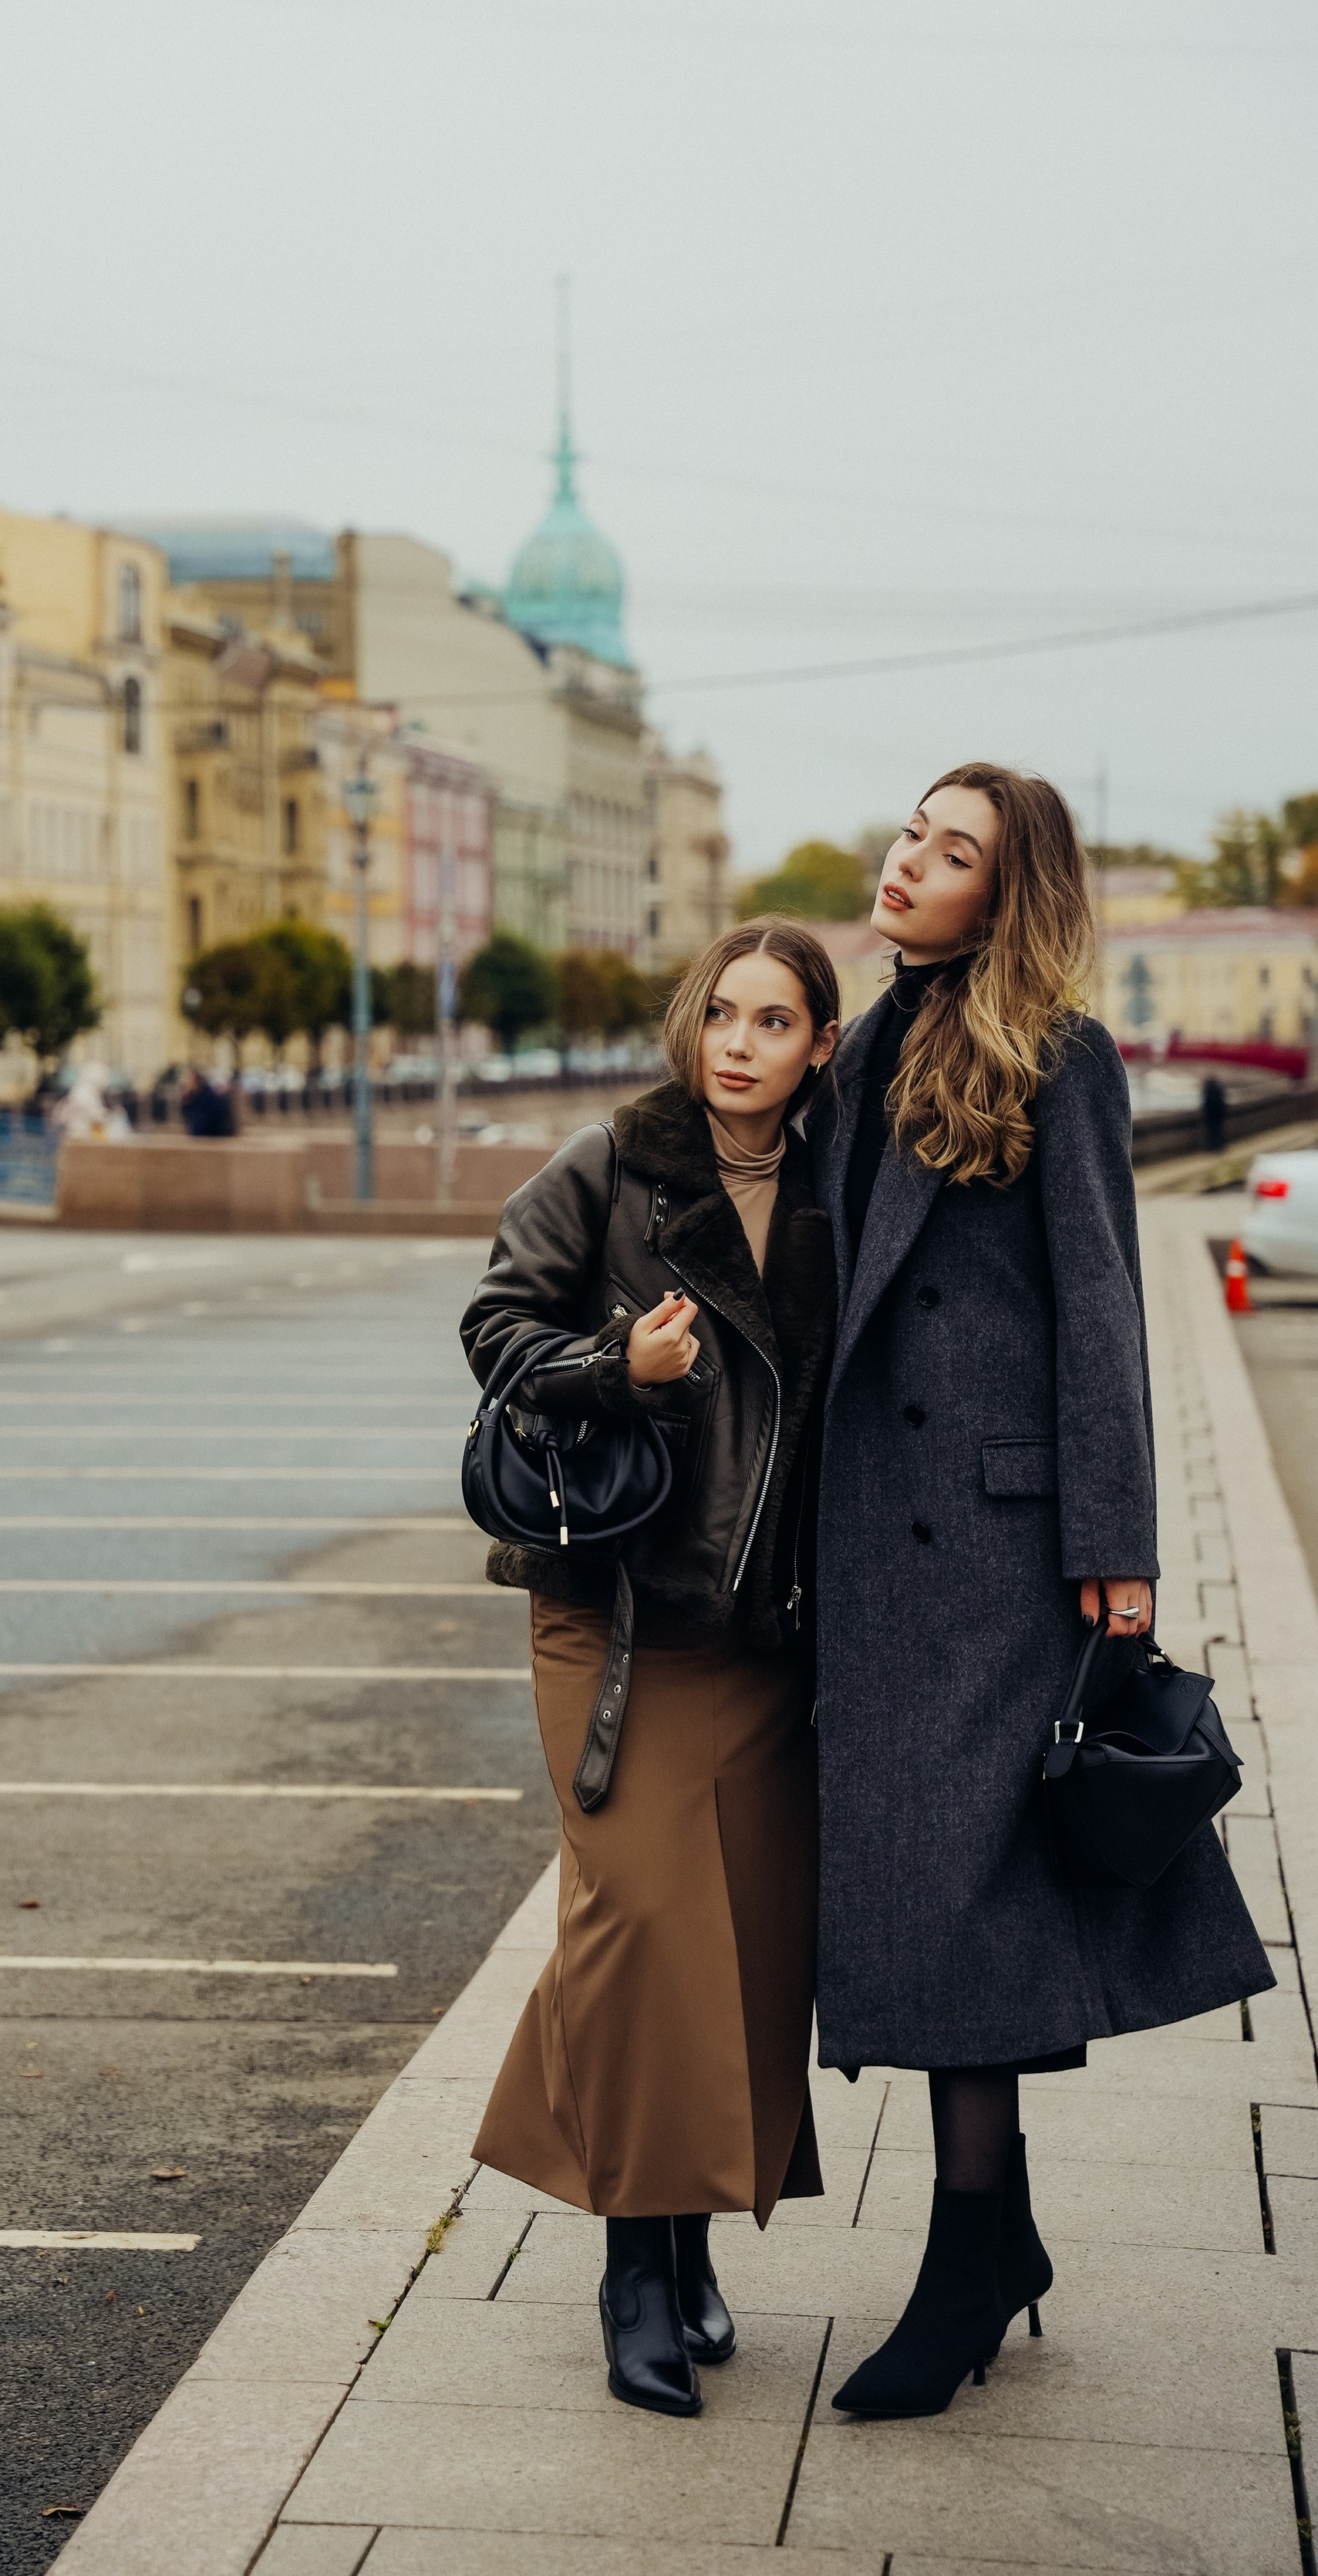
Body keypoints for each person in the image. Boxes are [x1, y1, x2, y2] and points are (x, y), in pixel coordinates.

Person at [814, 763, 1273, 2421]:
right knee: (930, 1900)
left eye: (951, 853)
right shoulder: (866, 1038)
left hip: (997, 1556)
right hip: (872, 1539)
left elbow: (1099, 1301)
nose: (907, 863)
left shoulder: (1057, 1056)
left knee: (956, 1906)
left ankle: (961, 2256)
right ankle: (991, 2236)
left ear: (1002, 898)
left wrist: (1117, 1557)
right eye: (907, 834)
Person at [460, 920, 842, 2421]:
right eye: (719, 1015)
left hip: (762, 1637)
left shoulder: (833, 1188)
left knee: (736, 1947)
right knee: (632, 1927)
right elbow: (496, 1324)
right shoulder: (608, 1165)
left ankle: (685, 2249)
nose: (737, 1042)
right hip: (613, 1611)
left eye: (773, 1021)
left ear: (817, 1045)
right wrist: (620, 1365)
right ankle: (632, 2268)